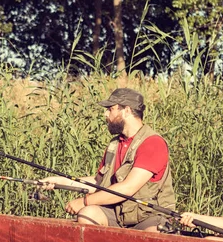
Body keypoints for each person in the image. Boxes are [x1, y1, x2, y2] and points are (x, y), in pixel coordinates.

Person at [41, 88, 175, 232]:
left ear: (127, 110)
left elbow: (127, 188)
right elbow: (99, 182)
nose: (106, 114)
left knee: (153, 235)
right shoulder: (115, 144)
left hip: (149, 217)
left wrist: (84, 201)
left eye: (111, 109)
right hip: (118, 214)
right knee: (88, 214)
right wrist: (60, 181)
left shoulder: (152, 143)